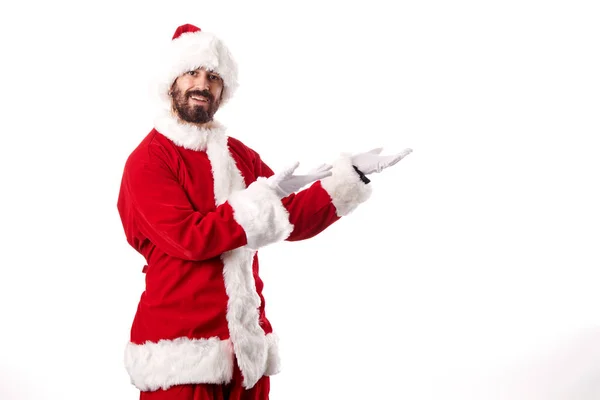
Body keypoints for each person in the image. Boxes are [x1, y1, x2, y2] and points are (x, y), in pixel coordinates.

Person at [116, 23, 412, 400]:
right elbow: (188, 238)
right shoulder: (149, 159)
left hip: (246, 351)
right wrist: (258, 203)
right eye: (192, 72)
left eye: (213, 76)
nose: (202, 84)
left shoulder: (238, 154)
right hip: (179, 353)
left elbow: (289, 218)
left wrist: (347, 177)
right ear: (172, 83)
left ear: (224, 90)